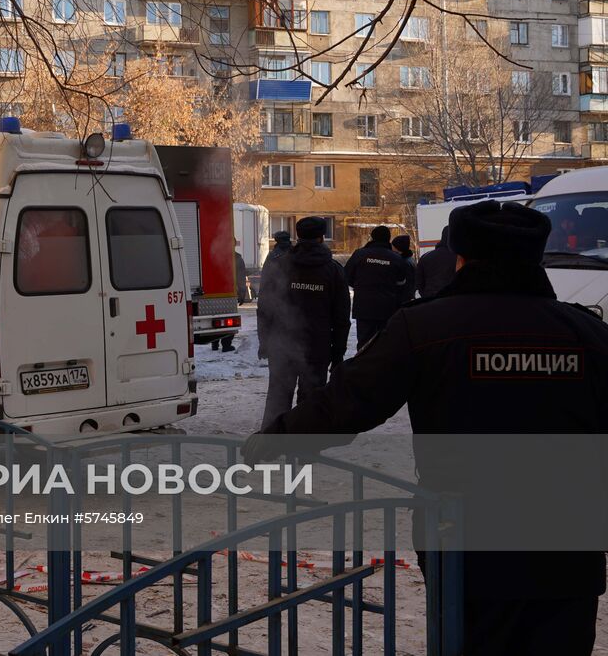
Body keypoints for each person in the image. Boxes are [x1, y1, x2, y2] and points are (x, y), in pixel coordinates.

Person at [246, 201, 608, 655]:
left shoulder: (427, 327)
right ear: (535, 257)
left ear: (461, 258)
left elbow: (349, 402)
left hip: (465, 542)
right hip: (566, 546)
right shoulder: (587, 335)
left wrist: (276, 437)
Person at [257, 216, 351, 426]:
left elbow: (265, 308)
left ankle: (268, 446)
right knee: (311, 403)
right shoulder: (333, 270)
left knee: (278, 399)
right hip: (317, 348)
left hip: (282, 346)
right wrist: (338, 354)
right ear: (321, 237)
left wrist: (265, 341)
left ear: (298, 236)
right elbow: (341, 317)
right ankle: (303, 450)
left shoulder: (279, 265)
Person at [343, 225, 409, 348]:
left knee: (364, 343)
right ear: (388, 239)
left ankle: (363, 365)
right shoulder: (395, 258)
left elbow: (346, 277)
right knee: (385, 343)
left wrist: (361, 286)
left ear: (372, 238)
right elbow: (401, 282)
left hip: (364, 307)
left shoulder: (359, 254)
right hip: (387, 308)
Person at [416, 226, 457, 298]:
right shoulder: (459, 257)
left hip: (431, 299)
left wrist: (425, 295)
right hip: (453, 298)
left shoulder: (426, 256)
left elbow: (419, 282)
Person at [391, 234, 417, 304]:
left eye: (393, 246)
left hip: (404, 299)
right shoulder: (409, 260)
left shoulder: (404, 262)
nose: (391, 248)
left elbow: (407, 284)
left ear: (398, 248)